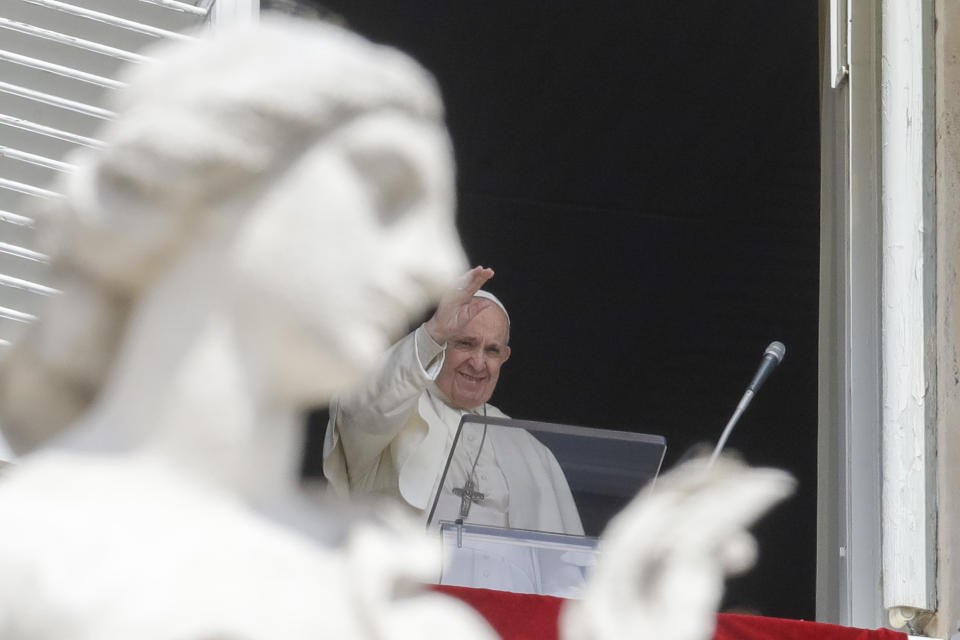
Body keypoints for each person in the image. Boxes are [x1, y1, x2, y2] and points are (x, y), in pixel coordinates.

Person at [323, 266, 584, 536]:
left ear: (505, 357)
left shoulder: (528, 448)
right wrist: (433, 332)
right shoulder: (393, 410)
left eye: (492, 350)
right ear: (442, 343)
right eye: (466, 344)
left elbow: (561, 563)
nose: (478, 362)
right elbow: (363, 403)